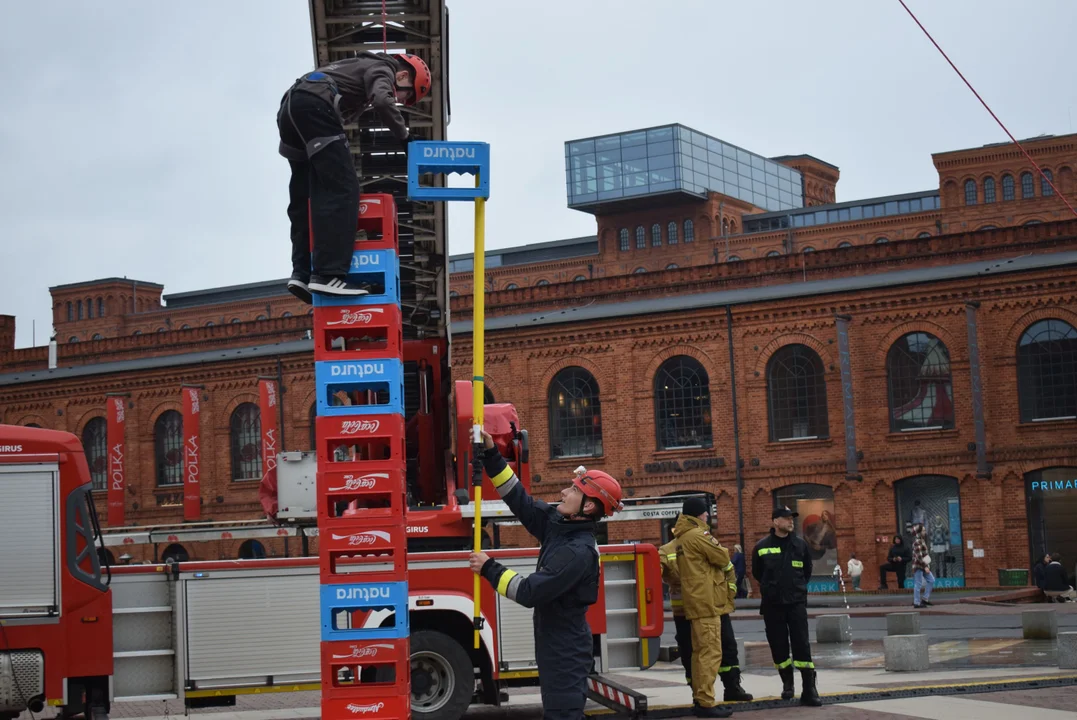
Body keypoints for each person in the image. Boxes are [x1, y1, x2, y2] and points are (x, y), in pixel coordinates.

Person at [468, 430, 623, 720]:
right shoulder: (560, 527)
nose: (564, 492)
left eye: (574, 490)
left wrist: (489, 567)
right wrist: (491, 454)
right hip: (556, 648)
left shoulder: (577, 553)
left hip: (564, 655)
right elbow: (520, 501)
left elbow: (529, 592)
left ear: (588, 506)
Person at [277, 51, 431, 302]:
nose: (401, 101)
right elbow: (383, 100)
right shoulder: (384, 68)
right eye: (406, 95)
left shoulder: (355, 66)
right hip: (316, 106)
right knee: (343, 189)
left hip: (290, 108)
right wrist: (405, 138)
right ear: (403, 75)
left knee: (303, 198)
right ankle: (328, 275)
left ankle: (301, 273)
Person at [662, 498, 753, 714]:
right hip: (706, 605)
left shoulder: (682, 539)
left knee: (704, 652)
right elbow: (722, 556)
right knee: (709, 653)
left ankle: (705, 696)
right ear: (700, 515)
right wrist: (730, 592)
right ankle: (705, 702)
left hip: (700, 605)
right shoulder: (698, 535)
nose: (708, 517)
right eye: (706, 513)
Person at [752, 506, 821, 707]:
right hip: (773, 605)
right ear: (775, 521)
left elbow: (807, 571)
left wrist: (796, 588)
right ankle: (787, 684)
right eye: (786, 518)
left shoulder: (800, 545)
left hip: (796, 603)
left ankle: (809, 688)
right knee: (779, 645)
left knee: (802, 644)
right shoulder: (761, 546)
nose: (791, 521)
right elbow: (758, 573)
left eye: (792, 518)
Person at [910, 523, 934, 609]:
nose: (925, 531)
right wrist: (925, 566)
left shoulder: (922, 540)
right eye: (923, 530)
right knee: (918, 584)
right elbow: (919, 556)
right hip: (918, 566)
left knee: (931, 580)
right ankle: (916, 602)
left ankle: (925, 599)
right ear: (919, 532)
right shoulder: (917, 542)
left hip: (923, 565)